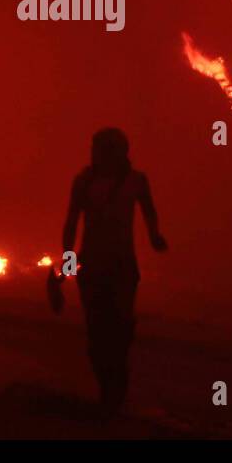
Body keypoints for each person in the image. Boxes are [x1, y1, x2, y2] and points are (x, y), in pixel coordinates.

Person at [56, 127, 167, 414]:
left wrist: (155, 236)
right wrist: (67, 266)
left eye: (102, 149)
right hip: (92, 265)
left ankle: (115, 389)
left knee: (119, 328)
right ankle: (108, 389)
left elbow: (149, 211)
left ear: (117, 153)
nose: (96, 155)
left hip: (122, 266)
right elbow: (71, 223)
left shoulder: (136, 181)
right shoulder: (84, 182)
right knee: (96, 333)